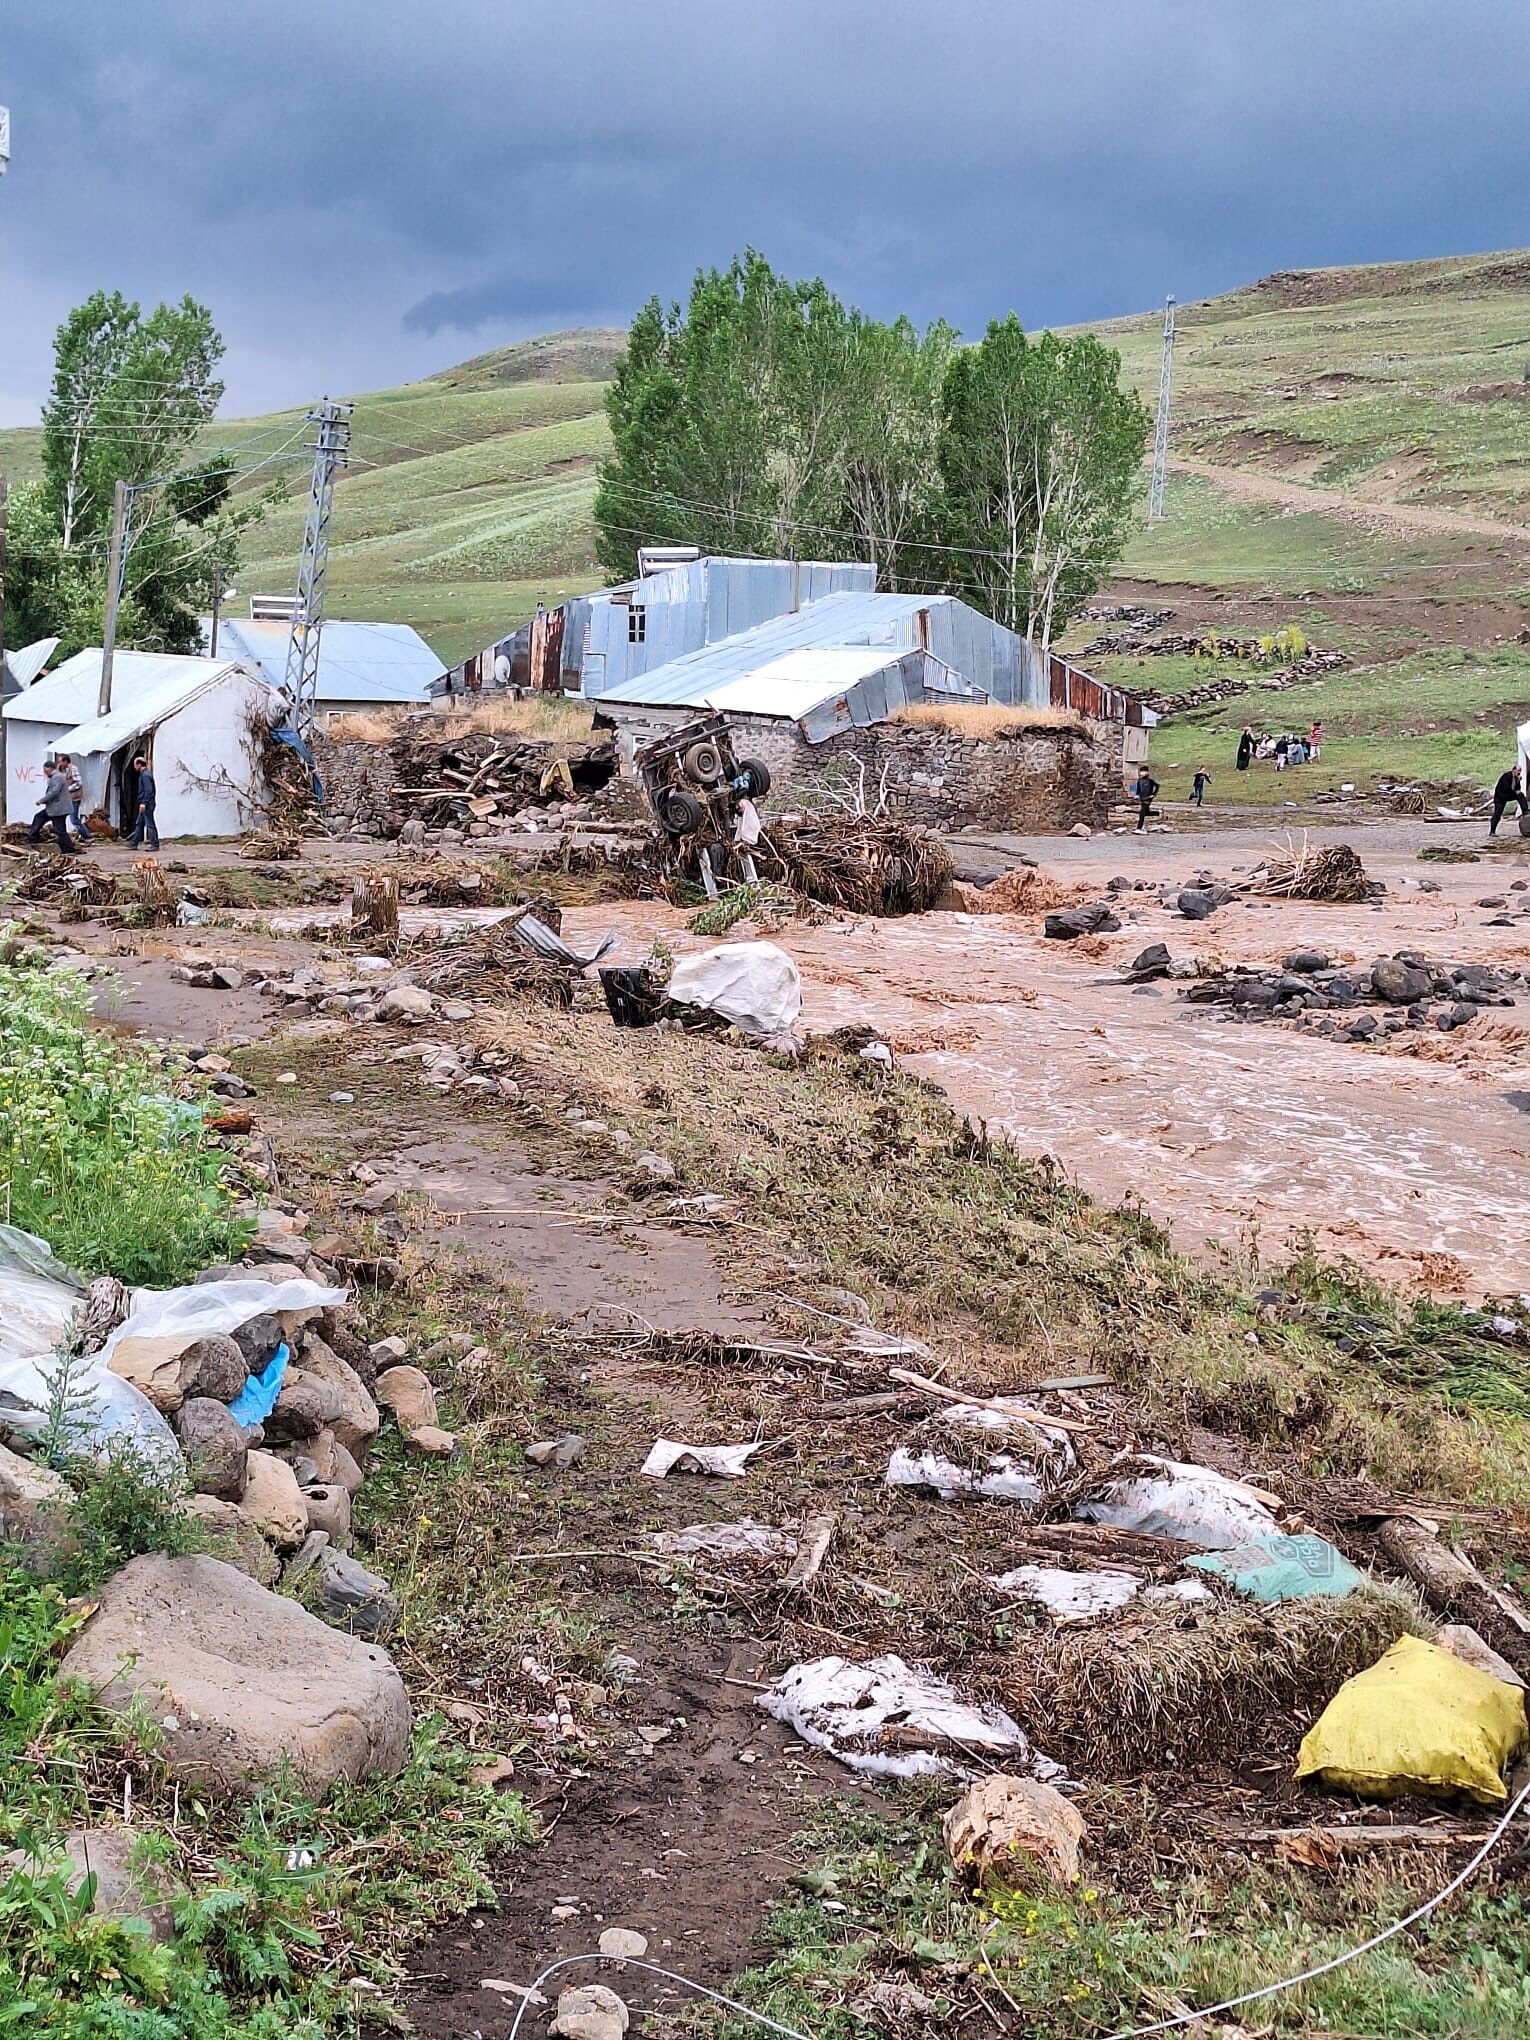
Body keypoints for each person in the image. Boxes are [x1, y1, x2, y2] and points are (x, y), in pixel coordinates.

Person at [28, 757, 80, 854]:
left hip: (58, 809)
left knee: (59, 829)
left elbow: (54, 792)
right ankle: (34, 838)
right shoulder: (55, 777)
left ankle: (69, 849)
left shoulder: (57, 777)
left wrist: (42, 800)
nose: (44, 772)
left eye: (45, 770)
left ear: (50, 768)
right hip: (56, 808)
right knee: (42, 819)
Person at [126, 752, 160, 850]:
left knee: (149, 823)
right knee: (139, 823)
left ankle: (155, 844)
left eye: (135, 765)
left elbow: (148, 791)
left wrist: (144, 803)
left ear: (139, 764)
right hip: (147, 803)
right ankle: (134, 843)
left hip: (147, 804)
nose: (134, 767)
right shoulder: (145, 774)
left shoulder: (145, 776)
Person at [1490, 762, 1529, 836]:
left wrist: (1518, 782)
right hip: (1500, 797)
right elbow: (1507, 788)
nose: (1519, 772)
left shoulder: (1516, 778)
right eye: (1518, 770)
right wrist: (1515, 792)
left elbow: (1518, 789)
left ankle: (1525, 811)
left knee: (1521, 795)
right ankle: (1492, 831)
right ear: (1513, 770)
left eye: (1520, 771)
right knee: (1497, 814)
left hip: (1509, 795)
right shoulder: (1506, 776)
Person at [60, 752, 92, 841]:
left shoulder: (73, 769)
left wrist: (68, 788)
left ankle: (87, 835)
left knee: (74, 819)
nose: (60, 764)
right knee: (65, 817)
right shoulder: (64, 770)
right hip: (69, 798)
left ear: (66, 761)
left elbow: (79, 782)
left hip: (75, 797)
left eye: (61, 762)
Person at [1133, 766, 1160, 832]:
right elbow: (1138, 788)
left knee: (1142, 814)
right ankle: (1158, 813)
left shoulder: (1150, 780)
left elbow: (1157, 786)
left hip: (1148, 798)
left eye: (1143, 771)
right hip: (1142, 798)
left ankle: (1139, 828)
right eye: (1141, 771)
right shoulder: (1139, 780)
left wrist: (1153, 794)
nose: (1142, 773)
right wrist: (1136, 795)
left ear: (1147, 772)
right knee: (1146, 812)